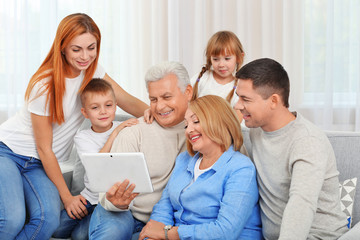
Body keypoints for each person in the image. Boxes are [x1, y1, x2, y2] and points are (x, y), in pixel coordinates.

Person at [0, 13, 148, 239]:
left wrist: (167, 114)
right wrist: (67, 197)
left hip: (39, 165)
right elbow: (44, 148)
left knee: (47, 221)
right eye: (76, 49)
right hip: (9, 152)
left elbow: (126, 100)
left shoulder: (92, 71)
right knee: (12, 219)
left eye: (91, 47)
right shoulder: (44, 85)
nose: (85, 56)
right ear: (63, 48)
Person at [234, 58, 348, 239]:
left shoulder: (307, 140)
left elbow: (301, 203)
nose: (237, 105)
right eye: (237, 96)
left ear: (273, 101)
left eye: (245, 99)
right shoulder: (255, 132)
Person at [88, 61, 193, 239]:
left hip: (167, 220)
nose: (159, 107)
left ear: (188, 92)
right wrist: (117, 203)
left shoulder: (201, 132)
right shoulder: (134, 132)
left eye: (167, 97)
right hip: (124, 213)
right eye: (153, 99)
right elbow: (106, 193)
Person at [139, 95, 263, 240]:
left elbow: (225, 231)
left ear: (219, 122)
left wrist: (167, 233)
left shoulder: (241, 168)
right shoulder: (183, 160)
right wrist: (152, 236)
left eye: (196, 121)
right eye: (186, 125)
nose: (188, 130)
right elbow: (164, 206)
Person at [52, 78, 138, 239]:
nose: (103, 111)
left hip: (109, 200)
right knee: (57, 229)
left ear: (115, 106)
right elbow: (97, 165)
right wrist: (114, 133)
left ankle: (97, 224)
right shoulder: (83, 137)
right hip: (88, 198)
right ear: (85, 112)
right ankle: (90, 220)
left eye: (108, 105)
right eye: (95, 107)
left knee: (79, 236)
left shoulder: (126, 129)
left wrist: (120, 130)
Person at [191, 31, 244, 108]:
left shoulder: (239, 88)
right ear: (210, 59)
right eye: (216, 59)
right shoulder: (203, 78)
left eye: (227, 59)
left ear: (239, 57)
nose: (221, 65)